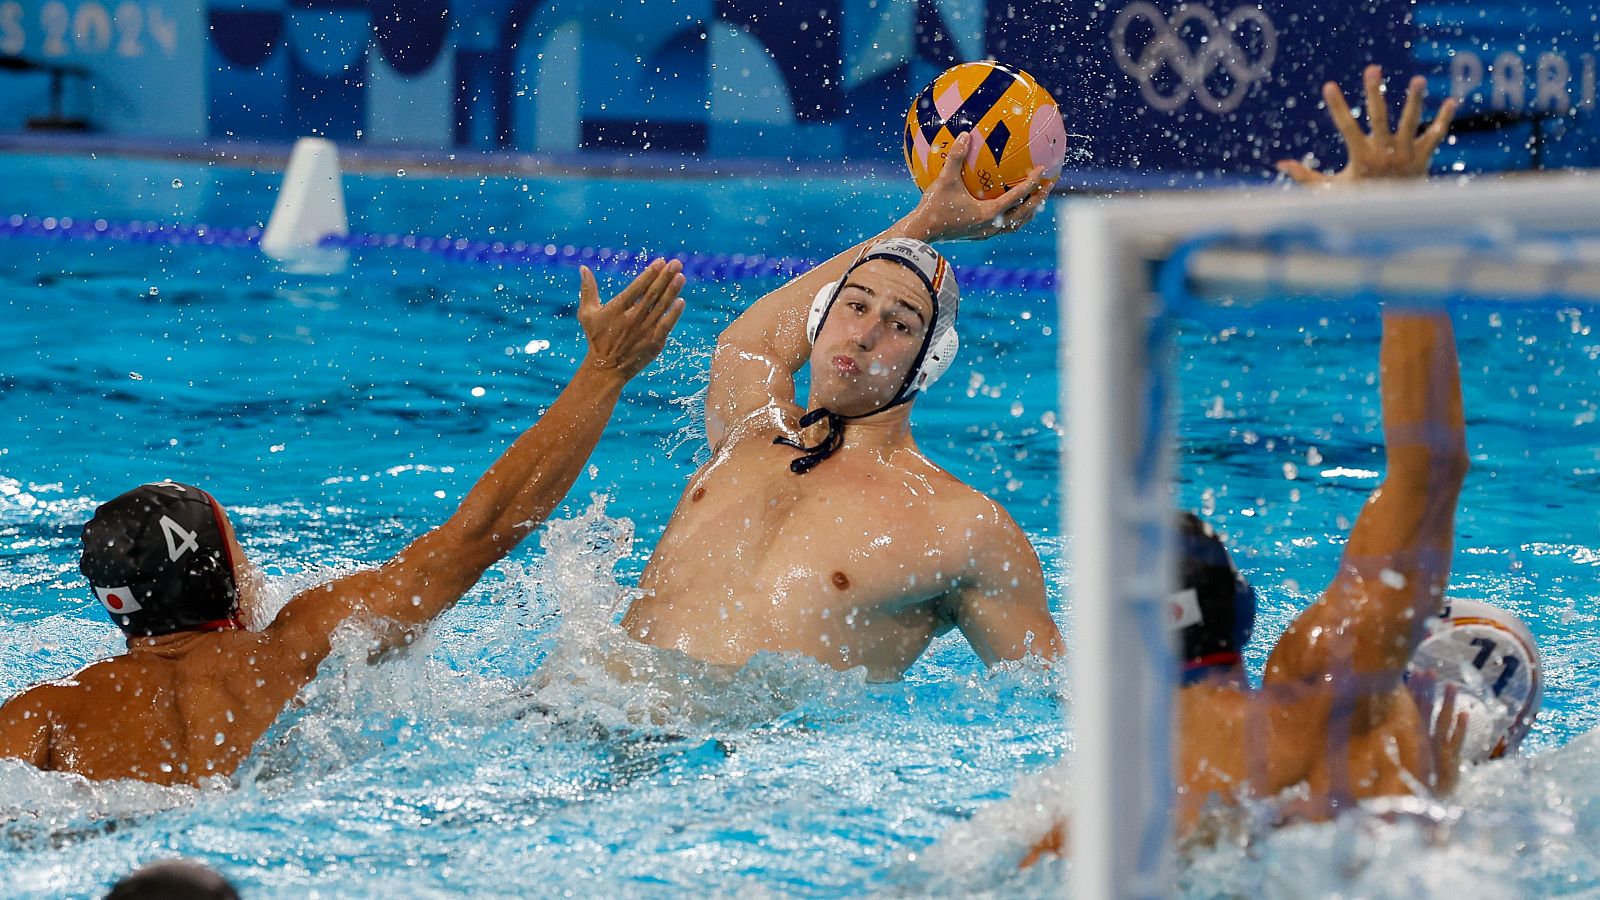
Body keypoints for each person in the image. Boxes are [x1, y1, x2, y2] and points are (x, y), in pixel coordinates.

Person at [1022, 66, 1543, 860]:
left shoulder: (1088, 818)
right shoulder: (1315, 695)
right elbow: (1430, 472)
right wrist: (1398, 233)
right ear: (1239, 608)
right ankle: (1463, 742)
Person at [0, 260, 686, 785]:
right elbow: (482, 533)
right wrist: (603, 371)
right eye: (237, 547)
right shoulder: (294, 650)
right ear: (214, 572)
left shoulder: (39, 716)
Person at [619, 132, 1063, 681]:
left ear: (929, 363)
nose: (865, 332)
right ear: (818, 319)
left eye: (900, 324)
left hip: (740, 758)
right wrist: (921, 224)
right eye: (854, 306)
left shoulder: (963, 528)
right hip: (578, 714)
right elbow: (750, 344)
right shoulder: (751, 432)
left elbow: (1064, 701)